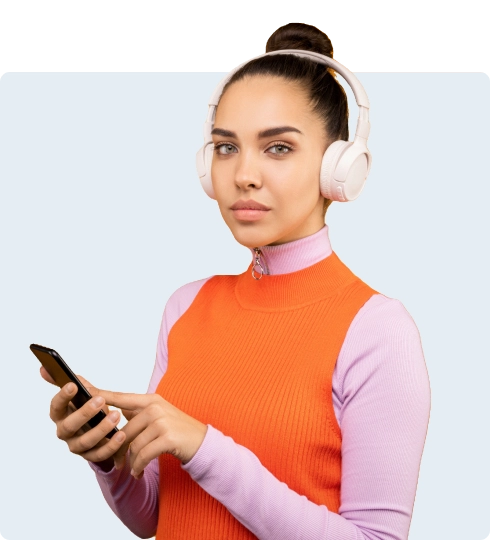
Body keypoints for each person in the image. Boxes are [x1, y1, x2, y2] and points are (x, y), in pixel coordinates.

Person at [41, 22, 431, 540]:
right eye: (226, 148)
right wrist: (109, 461)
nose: (243, 174)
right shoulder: (186, 306)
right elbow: (156, 516)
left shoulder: (377, 330)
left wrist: (206, 449)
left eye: (278, 148)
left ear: (339, 167)